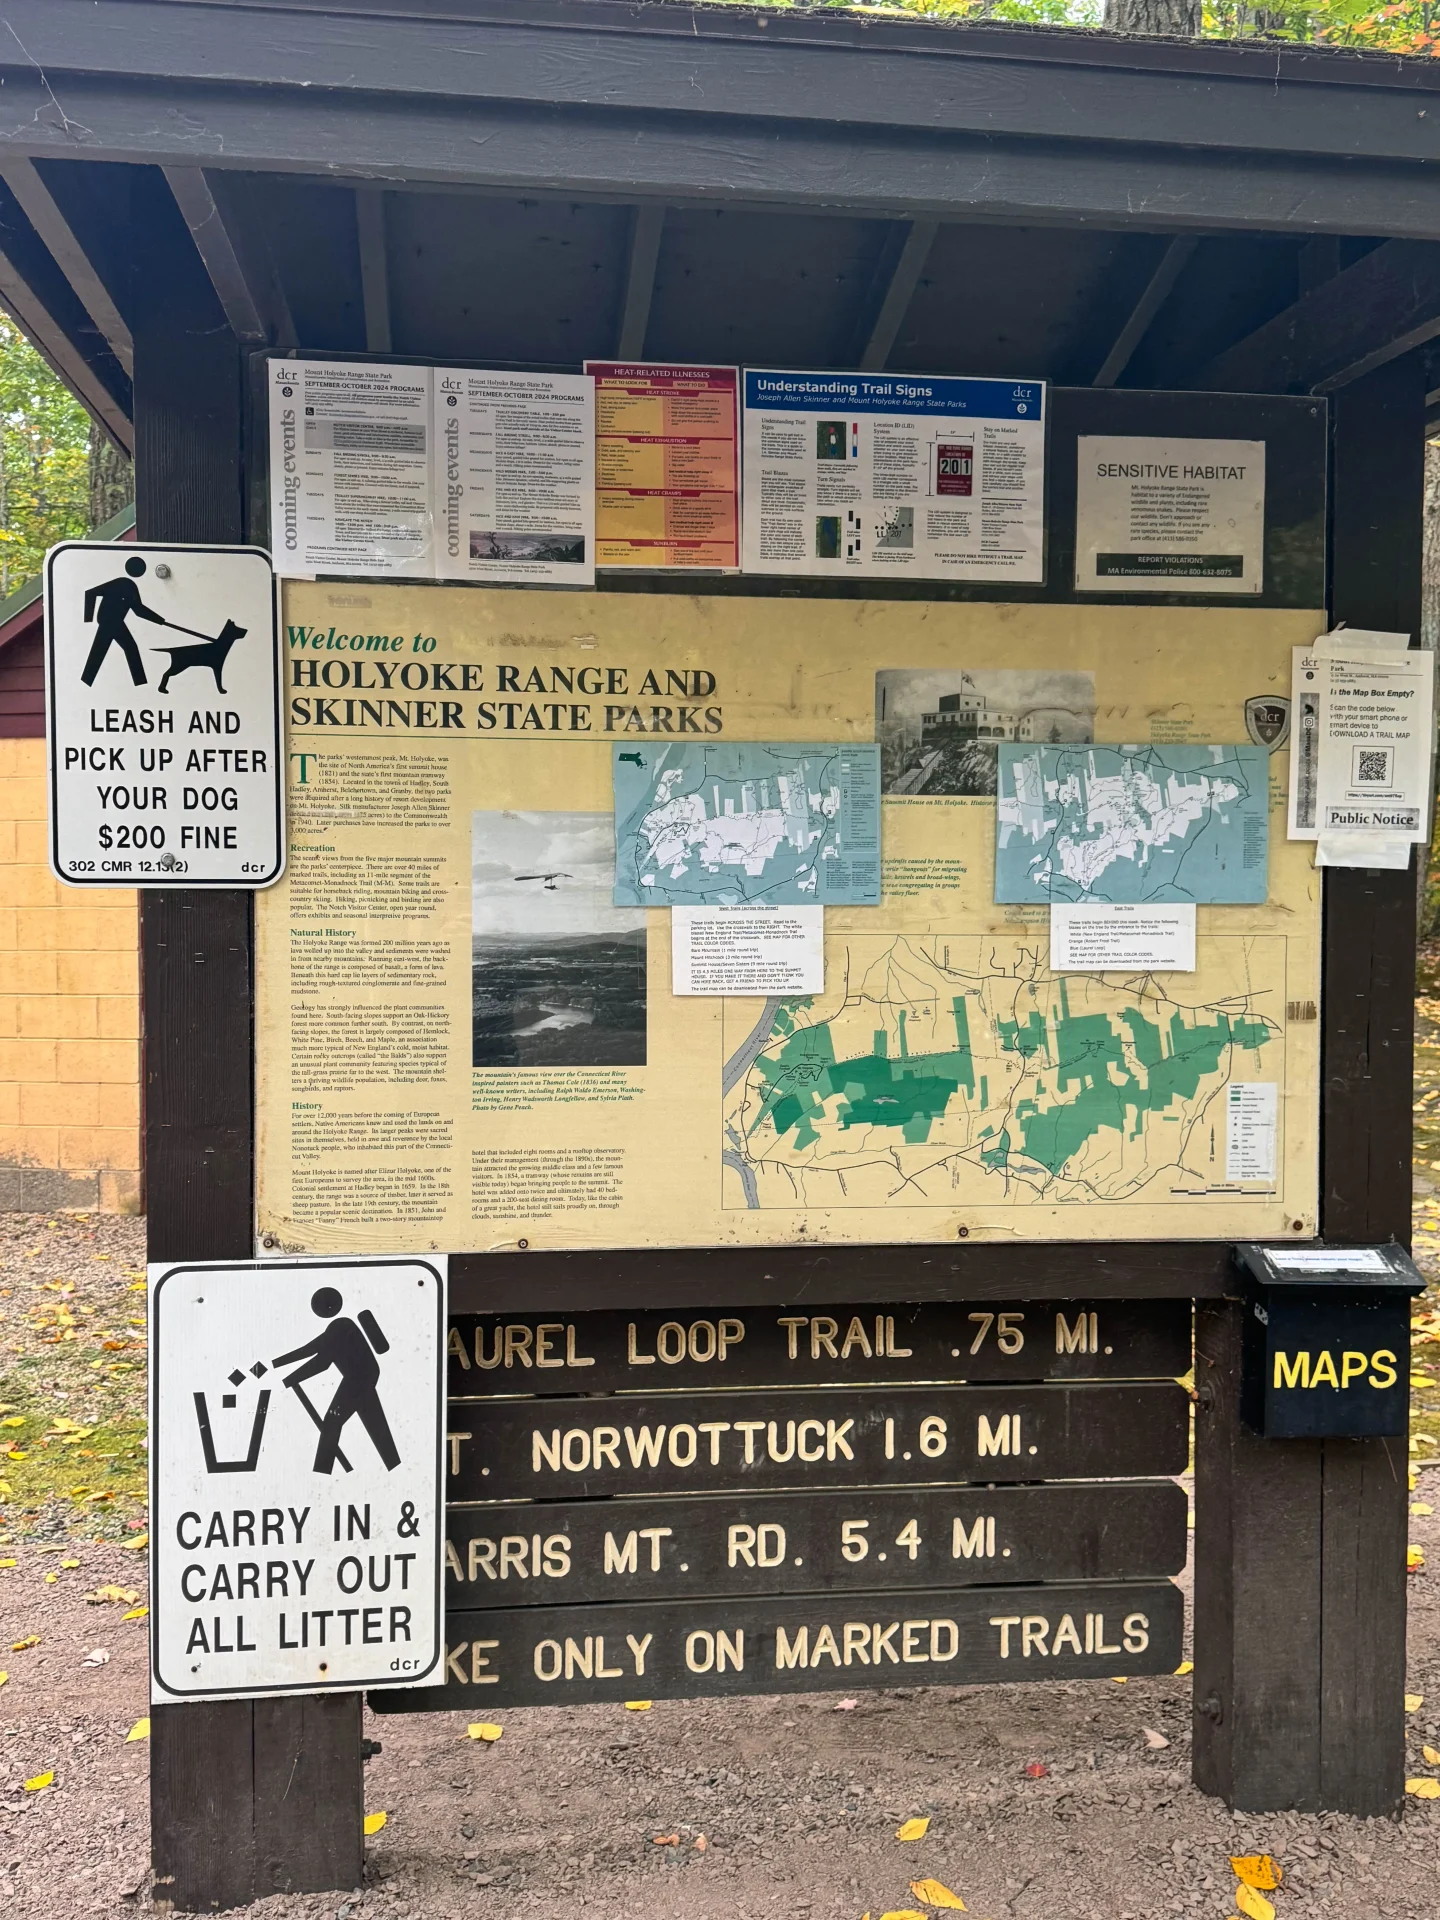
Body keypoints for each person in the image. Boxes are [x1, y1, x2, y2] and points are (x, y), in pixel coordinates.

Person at [273, 1288, 400, 1474]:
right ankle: (395, 1466)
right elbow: (308, 1349)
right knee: (375, 1422)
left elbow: (321, 1363)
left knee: (332, 1421)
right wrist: (275, 1364)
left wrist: (288, 1380)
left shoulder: (340, 1329)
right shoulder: (339, 1327)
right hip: (363, 1378)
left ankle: (321, 1472)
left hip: (358, 1379)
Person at [80, 556, 165, 688]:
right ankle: (141, 683)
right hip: (108, 621)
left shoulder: (130, 586)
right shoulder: (122, 583)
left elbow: (138, 610)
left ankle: (87, 681)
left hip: (115, 622)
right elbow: (90, 593)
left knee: (104, 650)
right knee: (125, 648)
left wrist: (160, 621)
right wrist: (87, 620)